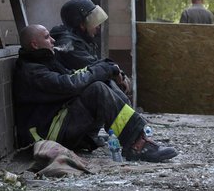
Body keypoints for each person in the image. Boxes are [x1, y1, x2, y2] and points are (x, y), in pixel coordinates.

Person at [13, 24, 178, 162]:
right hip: (45, 135)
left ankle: (137, 135)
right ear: (35, 44)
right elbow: (70, 84)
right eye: (47, 37)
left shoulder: (41, 61)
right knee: (97, 90)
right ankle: (137, 145)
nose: (53, 40)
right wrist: (102, 69)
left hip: (55, 124)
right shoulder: (32, 71)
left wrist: (106, 69)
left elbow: (73, 76)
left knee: (101, 82)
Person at [50, 0, 131, 94]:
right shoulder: (69, 44)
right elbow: (95, 68)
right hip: (71, 99)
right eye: (94, 22)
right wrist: (117, 73)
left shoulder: (80, 39)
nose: (98, 27)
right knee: (103, 85)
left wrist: (119, 72)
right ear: (82, 24)